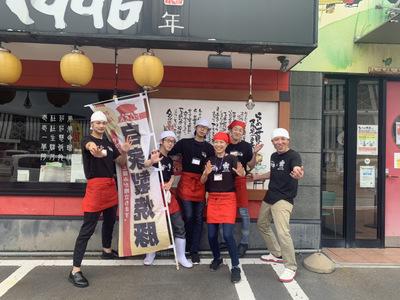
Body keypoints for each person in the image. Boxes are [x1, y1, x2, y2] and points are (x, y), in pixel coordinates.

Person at [68, 111, 131, 288]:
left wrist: (125, 152)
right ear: (92, 124)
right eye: (98, 123)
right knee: (87, 229)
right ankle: (75, 270)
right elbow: (89, 147)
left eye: (103, 123)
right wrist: (93, 150)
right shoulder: (87, 140)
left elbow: (121, 162)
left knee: (110, 221)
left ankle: (106, 250)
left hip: (110, 186)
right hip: (95, 188)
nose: (101, 126)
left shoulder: (110, 144)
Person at [251, 128, 304, 283]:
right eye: (276, 140)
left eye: (283, 139)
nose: (279, 142)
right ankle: (276, 253)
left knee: (283, 232)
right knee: (262, 224)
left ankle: (290, 266)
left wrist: (298, 173)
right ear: (272, 142)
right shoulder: (274, 156)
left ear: (288, 140)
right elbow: (273, 173)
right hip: (270, 196)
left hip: (284, 199)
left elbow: (297, 169)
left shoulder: (294, 155)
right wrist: (257, 177)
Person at [142, 131, 193, 268]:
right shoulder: (154, 154)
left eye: (172, 141)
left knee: (179, 224)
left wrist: (170, 182)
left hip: (167, 194)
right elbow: (143, 166)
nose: (170, 143)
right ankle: (150, 253)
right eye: (168, 141)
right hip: (154, 194)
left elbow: (171, 175)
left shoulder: (170, 159)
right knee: (154, 224)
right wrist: (151, 161)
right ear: (161, 141)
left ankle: (181, 256)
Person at [201, 132, 246, 283]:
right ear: (213, 144)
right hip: (213, 199)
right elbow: (202, 181)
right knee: (212, 235)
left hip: (228, 199)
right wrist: (206, 174)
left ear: (226, 145)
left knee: (227, 235)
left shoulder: (232, 159)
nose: (218, 145)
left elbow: (241, 172)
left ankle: (235, 266)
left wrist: (241, 173)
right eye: (216, 142)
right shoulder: (210, 160)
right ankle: (217, 258)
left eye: (222, 142)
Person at [169, 118, 214, 264]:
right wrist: (170, 133)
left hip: (201, 182)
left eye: (205, 128)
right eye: (200, 127)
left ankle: (194, 250)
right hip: (187, 182)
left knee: (199, 218)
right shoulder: (184, 143)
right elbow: (170, 152)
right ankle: (185, 246)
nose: (202, 130)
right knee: (188, 216)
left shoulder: (209, 148)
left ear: (207, 131)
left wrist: (208, 190)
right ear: (196, 127)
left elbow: (210, 170)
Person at [225, 120, 263, 257]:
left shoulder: (246, 146)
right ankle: (225, 240)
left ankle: (244, 242)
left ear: (243, 133)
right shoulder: (224, 144)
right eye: (235, 129)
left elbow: (250, 166)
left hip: (240, 181)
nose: (237, 132)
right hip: (224, 182)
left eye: (240, 130)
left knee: (244, 212)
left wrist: (254, 154)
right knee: (224, 210)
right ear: (230, 130)